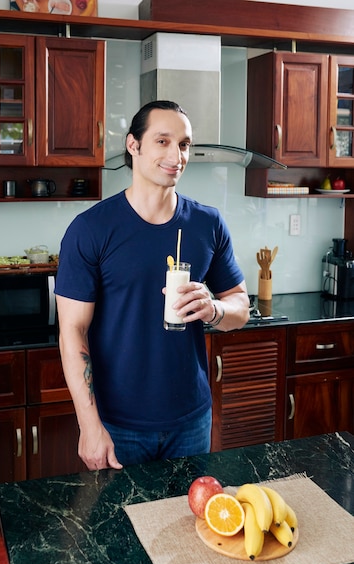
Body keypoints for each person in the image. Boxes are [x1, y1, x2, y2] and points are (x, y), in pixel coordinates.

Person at [55, 100, 249, 471]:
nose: (176, 155)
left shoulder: (207, 223)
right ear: (134, 145)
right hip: (117, 425)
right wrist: (89, 424)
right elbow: (72, 332)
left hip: (192, 419)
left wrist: (214, 310)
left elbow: (239, 307)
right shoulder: (91, 229)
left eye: (184, 144)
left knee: (188, 526)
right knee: (119, 528)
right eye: (162, 141)